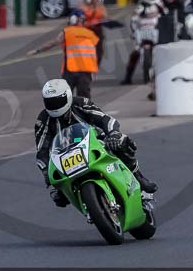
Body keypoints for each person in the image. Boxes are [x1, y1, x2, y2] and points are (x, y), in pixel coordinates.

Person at [35, 78, 158, 206]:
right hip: (65, 155)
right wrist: (45, 170)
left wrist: (114, 134)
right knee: (58, 192)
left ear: (68, 95)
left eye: (58, 100)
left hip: (95, 142)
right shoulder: (43, 120)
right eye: (50, 102)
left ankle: (138, 177)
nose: (55, 105)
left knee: (123, 142)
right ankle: (72, 196)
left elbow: (105, 119)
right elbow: (41, 149)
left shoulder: (81, 103)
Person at [28, 9, 98, 98]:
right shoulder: (91, 34)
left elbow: (53, 43)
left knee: (65, 98)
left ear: (73, 19)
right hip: (86, 71)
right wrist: (94, 72)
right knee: (84, 100)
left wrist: (37, 50)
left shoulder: (67, 31)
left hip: (70, 70)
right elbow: (94, 54)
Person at [120, 0, 167, 85]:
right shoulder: (140, 6)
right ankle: (128, 77)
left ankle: (166, 74)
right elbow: (133, 20)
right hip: (143, 32)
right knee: (135, 53)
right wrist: (133, 32)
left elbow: (166, 14)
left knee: (165, 51)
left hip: (157, 30)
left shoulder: (159, 3)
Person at [82, 0, 106, 67]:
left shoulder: (100, 7)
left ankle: (94, 69)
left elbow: (104, 16)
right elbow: (79, 21)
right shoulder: (82, 8)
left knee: (99, 53)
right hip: (86, 33)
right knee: (87, 53)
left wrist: (104, 20)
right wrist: (88, 24)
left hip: (98, 32)